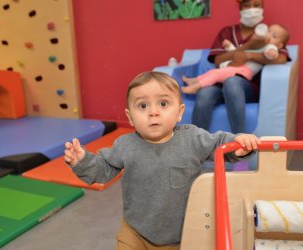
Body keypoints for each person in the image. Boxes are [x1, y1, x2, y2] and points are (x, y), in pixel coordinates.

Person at [64, 71, 261, 249]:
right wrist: (82, 160)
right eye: (142, 106)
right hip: (136, 230)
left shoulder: (192, 138)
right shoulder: (124, 145)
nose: (153, 112)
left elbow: (219, 144)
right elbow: (102, 169)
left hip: (181, 234)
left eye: (163, 104)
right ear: (130, 117)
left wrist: (238, 143)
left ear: (180, 112)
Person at [192, 0, 289, 133]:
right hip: (220, 85)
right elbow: (218, 61)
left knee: (232, 82)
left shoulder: (269, 34)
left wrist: (248, 55)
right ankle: (197, 147)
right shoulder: (226, 32)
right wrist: (248, 46)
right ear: (240, 8)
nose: (251, 10)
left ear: (262, 8)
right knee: (204, 94)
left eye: (256, 5)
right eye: (246, 5)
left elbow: (281, 58)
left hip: (247, 87)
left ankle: (241, 146)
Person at [181, 24, 290, 94]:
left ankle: (196, 87)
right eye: (269, 32)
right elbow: (240, 52)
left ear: (280, 45)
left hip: (244, 72)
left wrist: (272, 53)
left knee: (216, 74)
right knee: (214, 71)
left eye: (274, 36)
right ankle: (194, 80)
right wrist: (229, 47)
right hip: (239, 68)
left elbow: (271, 54)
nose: (269, 36)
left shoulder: (270, 47)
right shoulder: (258, 44)